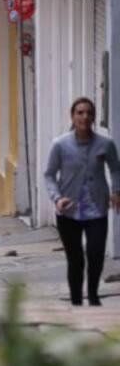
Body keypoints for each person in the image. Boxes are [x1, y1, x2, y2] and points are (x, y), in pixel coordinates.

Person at [44, 97, 120, 307]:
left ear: (93, 117)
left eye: (88, 113)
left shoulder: (105, 144)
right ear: (73, 116)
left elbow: (115, 168)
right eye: (80, 112)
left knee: (95, 255)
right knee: (75, 260)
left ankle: (93, 296)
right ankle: (77, 301)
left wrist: (116, 190)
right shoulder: (60, 144)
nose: (84, 117)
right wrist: (57, 199)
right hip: (69, 211)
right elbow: (49, 174)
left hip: (97, 209)